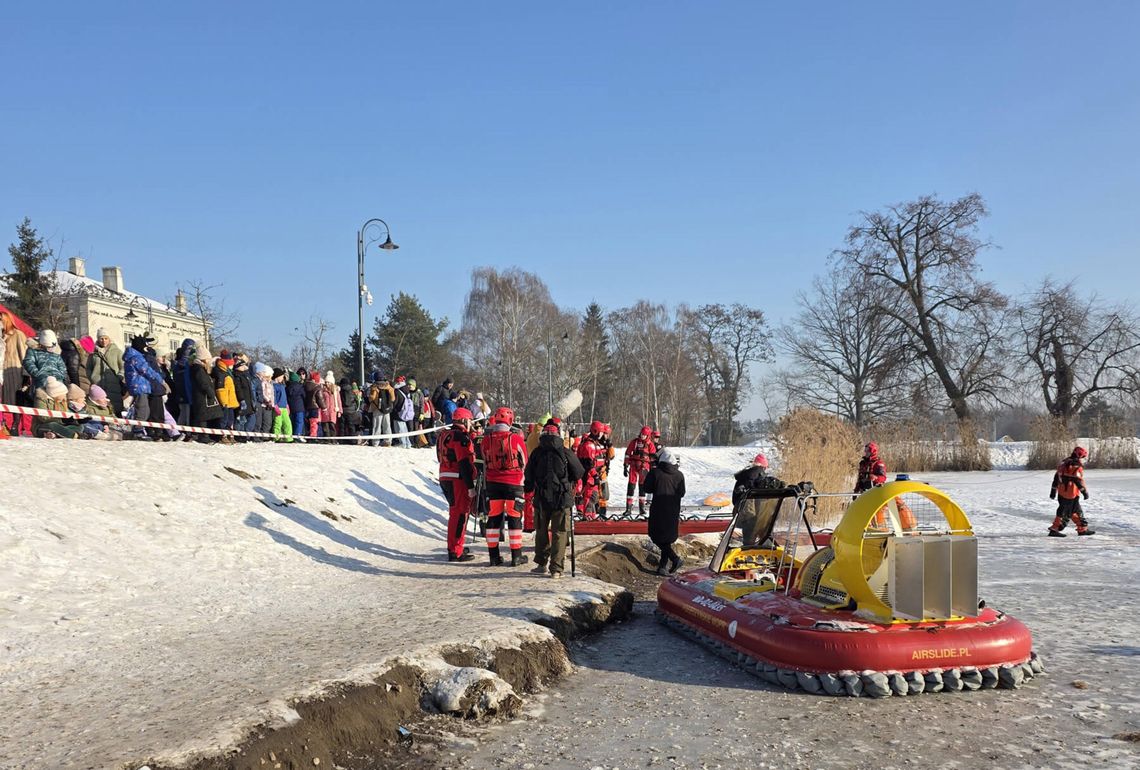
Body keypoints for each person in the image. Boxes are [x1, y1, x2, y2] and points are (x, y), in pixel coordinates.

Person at [525, 419, 585, 579]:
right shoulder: (565, 452)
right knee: (560, 532)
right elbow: (579, 472)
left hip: (541, 498)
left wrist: (529, 489)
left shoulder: (537, 452)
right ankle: (556, 569)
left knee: (541, 531)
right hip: (562, 498)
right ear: (558, 435)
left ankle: (541, 564)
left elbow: (528, 475)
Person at [482, 406, 529, 566]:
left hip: (493, 484)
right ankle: (516, 556)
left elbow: (484, 459)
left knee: (494, 518)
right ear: (510, 420)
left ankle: (493, 556)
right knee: (514, 517)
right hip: (513, 483)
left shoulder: (486, 439)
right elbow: (524, 460)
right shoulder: (515, 438)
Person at [437, 406, 478, 562]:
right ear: (464, 420)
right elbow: (464, 463)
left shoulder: (444, 435)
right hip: (457, 479)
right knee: (460, 515)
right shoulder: (461, 438)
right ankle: (455, 550)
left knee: (455, 514)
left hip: (445, 476)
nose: (471, 423)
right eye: (470, 420)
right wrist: (470, 486)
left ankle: (455, 545)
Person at [646, 449, 686, 575]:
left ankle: (675, 559)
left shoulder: (655, 473)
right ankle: (662, 567)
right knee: (667, 539)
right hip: (673, 510)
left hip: (658, 509)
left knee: (655, 535)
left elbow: (647, 488)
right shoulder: (679, 475)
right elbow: (682, 492)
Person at [123, 335, 167, 440]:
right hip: (139, 387)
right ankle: (137, 431)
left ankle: (138, 429)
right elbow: (146, 370)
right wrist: (160, 379)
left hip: (141, 386)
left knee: (143, 410)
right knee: (143, 410)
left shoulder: (134, 356)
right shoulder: (136, 357)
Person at [1049, 446, 1094, 537]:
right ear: (1080, 455)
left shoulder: (1064, 462)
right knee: (1065, 512)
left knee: (1076, 511)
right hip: (1070, 493)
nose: (1082, 459)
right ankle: (1055, 529)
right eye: (1083, 457)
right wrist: (1084, 492)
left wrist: (1053, 491)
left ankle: (1082, 529)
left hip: (1062, 492)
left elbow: (1056, 477)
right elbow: (1077, 480)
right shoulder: (1075, 465)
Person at [1, 308, 30, 434]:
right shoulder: (1, 337)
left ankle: (16, 424)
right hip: (3, 373)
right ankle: (6, 424)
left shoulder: (18, 335)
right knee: (6, 401)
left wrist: (26, 375)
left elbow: (24, 356)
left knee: (16, 400)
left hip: (15, 372)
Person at [87, 329, 125, 416]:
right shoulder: (93, 353)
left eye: (106, 338)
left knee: (114, 408)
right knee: (99, 409)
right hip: (98, 385)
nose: (103, 341)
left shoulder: (117, 352)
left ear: (109, 339)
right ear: (98, 339)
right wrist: (92, 378)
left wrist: (119, 377)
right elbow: (88, 368)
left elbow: (123, 366)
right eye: (101, 338)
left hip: (113, 385)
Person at [189, 342, 222, 443]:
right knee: (203, 417)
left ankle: (209, 435)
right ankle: (203, 436)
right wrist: (210, 392)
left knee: (208, 416)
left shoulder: (201, 369)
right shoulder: (198, 370)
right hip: (202, 398)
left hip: (205, 397)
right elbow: (203, 383)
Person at [576, 420, 608, 520]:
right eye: (600, 432)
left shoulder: (594, 443)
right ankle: (588, 516)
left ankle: (591, 516)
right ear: (595, 431)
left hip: (594, 474)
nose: (601, 435)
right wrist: (595, 475)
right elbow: (588, 464)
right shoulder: (589, 445)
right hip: (590, 476)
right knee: (590, 496)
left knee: (593, 497)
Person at [623, 426, 657, 516]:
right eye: (641, 434)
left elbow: (653, 458)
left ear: (648, 435)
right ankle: (628, 508)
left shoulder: (650, 444)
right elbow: (628, 453)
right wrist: (625, 465)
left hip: (644, 467)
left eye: (644, 435)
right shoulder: (634, 442)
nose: (642, 436)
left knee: (642, 487)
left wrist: (653, 469)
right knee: (631, 486)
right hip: (634, 466)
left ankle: (641, 508)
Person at [286, 371, 306, 437]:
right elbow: (304, 396)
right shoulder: (300, 387)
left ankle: (292, 434)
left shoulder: (287, 388)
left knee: (293, 421)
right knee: (299, 422)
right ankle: (298, 435)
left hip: (291, 407)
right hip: (299, 407)